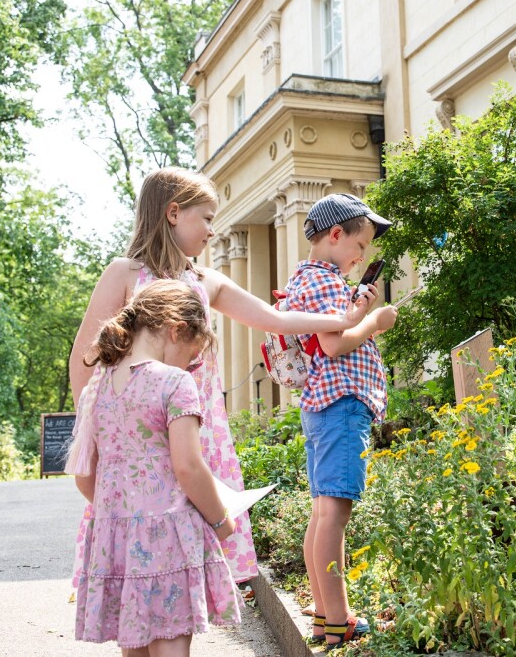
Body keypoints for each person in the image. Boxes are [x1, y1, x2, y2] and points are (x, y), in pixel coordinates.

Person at [69, 167, 372, 594]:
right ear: (174, 213)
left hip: (197, 430)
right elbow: (85, 359)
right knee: (142, 552)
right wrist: (95, 432)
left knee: (189, 551)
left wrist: (345, 319)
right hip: (136, 437)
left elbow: (276, 319)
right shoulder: (125, 273)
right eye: (207, 217)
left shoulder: (205, 281)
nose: (214, 230)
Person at [65, 279, 241, 656]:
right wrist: (220, 520)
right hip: (168, 535)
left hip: (118, 539)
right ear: (177, 329)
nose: (190, 366)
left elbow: (84, 476)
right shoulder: (175, 383)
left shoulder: (100, 386)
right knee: (171, 643)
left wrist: (123, 513)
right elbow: (189, 467)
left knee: (134, 645)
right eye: (192, 356)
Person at [283, 193, 398, 651]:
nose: (363, 256)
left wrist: (357, 309)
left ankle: (325, 617)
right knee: (335, 513)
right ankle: (339, 621)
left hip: (323, 406)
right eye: (361, 245)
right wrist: (374, 323)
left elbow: (330, 329)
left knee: (322, 512)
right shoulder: (326, 281)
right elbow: (333, 345)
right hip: (341, 403)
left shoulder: (309, 278)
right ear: (336, 235)